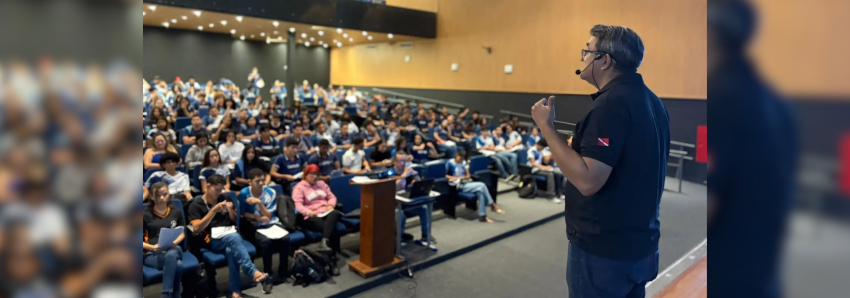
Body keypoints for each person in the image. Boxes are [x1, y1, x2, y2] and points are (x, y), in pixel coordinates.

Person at [529, 24, 666, 297]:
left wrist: (546, 127)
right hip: (640, 244)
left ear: (604, 60)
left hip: (605, 251)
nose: (583, 58)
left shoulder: (610, 105)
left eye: (587, 51)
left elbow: (587, 180)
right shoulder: (652, 101)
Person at [188, 174, 272, 297]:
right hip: (212, 239)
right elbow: (196, 228)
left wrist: (230, 210)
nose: (219, 193)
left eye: (221, 190)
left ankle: (235, 291)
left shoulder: (225, 197)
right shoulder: (196, 205)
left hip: (229, 233)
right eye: (216, 190)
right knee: (235, 238)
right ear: (208, 186)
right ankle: (252, 271)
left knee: (231, 250)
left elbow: (233, 219)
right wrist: (213, 210)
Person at [239, 169, 291, 290]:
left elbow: (268, 216)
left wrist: (258, 202)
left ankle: (283, 272)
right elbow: (243, 213)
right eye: (258, 181)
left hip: (271, 223)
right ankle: (268, 275)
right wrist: (256, 217)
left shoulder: (270, 192)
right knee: (266, 242)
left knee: (285, 239)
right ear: (250, 182)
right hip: (255, 225)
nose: (261, 183)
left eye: (262, 180)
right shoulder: (244, 193)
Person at [291, 164, 342, 276]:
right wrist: (309, 212)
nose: (314, 177)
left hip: (326, 212)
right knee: (330, 228)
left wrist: (330, 205)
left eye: (316, 174)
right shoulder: (299, 187)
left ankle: (324, 243)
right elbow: (298, 206)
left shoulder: (322, 184)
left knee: (335, 213)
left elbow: (332, 197)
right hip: (311, 216)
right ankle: (331, 261)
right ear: (306, 174)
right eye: (311, 174)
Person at [143, 182, 185, 298]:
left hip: (173, 248)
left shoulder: (175, 211)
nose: (162, 198)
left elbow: (182, 233)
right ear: (151, 197)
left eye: (165, 194)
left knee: (172, 251)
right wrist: (152, 247)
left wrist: (174, 243)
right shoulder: (144, 215)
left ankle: (165, 294)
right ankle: (175, 294)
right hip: (152, 254)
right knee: (178, 264)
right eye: (158, 195)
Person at [391, 152, 436, 249]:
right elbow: (394, 188)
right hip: (393, 205)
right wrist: (403, 175)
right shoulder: (390, 173)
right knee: (400, 214)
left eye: (404, 161)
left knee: (423, 208)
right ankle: (398, 239)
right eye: (400, 161)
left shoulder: (407, 172)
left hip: (405, 203)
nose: (402, 163)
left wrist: (415, 175)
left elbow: (420, 184)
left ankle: (425, 235)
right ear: (395, 162)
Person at [446, 150, 503, 223]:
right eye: (459, 159)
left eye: (462, 159)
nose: (460, 160)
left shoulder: (463, 163)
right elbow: (445, 175)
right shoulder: (450, 163)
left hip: (464, 183)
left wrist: (461, 178)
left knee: (481, 192)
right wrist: (452, 178)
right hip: (456, 185)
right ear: (456, 155)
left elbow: (468, 175)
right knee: (482, 185)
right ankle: (493, 205)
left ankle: (483, 216)